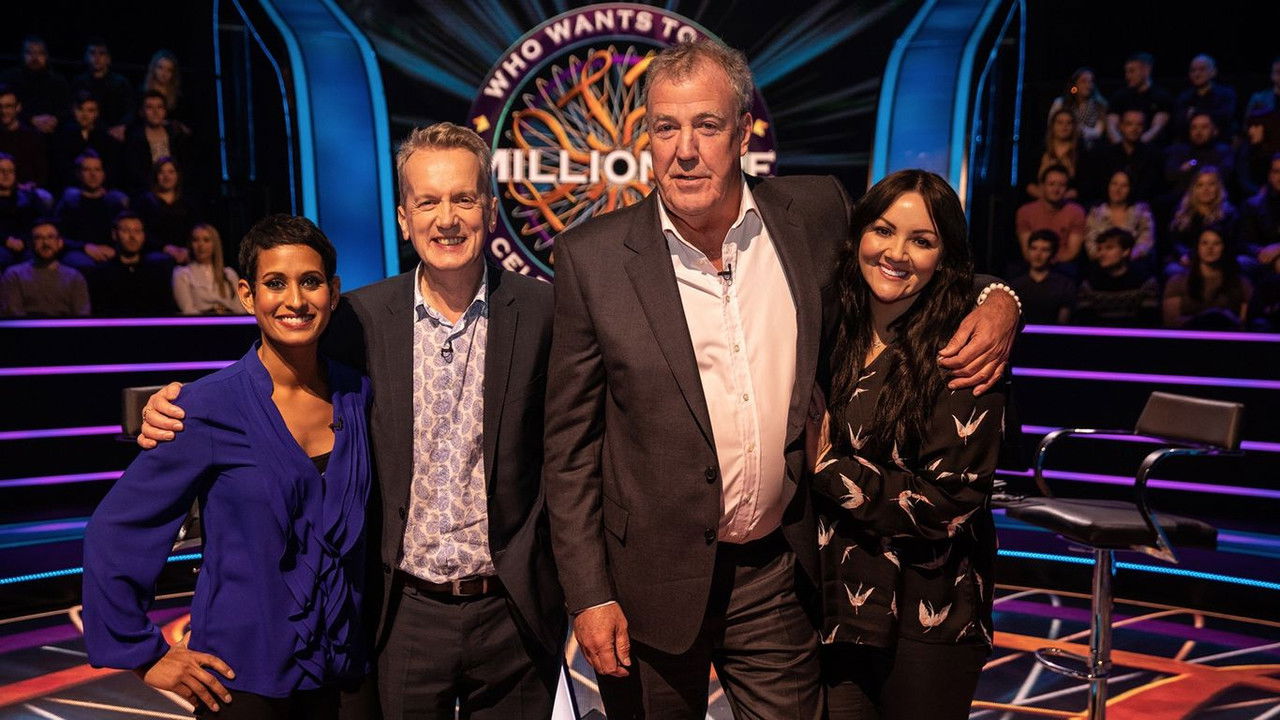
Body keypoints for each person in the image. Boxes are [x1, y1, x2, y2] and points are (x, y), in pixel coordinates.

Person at [542, 38, 1019, 720]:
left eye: (706, 126)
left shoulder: (814, 212)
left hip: (780, 574)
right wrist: (589, 594)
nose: (684, 150)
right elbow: (568, 449)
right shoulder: (591, 258)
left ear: (744, 132)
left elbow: (910, 261)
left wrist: (1000, 298)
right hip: (648, 584)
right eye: (666, 128)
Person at [140, 123, 566, 719]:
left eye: (464, 199)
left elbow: (578, 452)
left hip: (515, 616)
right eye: (428, 202)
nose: (447, 219)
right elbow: (274, 372)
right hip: (398, 615)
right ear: (403, 219)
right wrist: (179, 402)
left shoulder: (548, 311)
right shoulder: (356, 319)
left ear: (490, 211)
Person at [83, 214, 372, 718]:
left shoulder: (360, 395)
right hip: (240, 680)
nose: (295, 300)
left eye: (310, 281)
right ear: (246, 295)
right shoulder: (205, 407)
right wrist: (145, 657)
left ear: (333, 291)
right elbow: (117, 532)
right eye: (275, 283)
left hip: (350, 674)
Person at [805, 169, 1005, 720]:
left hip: (929, 614)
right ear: (858, 236)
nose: (896, 253)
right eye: (883, 230)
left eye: (922, 240)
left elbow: (950, 503)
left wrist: (829, 467)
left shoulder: (966, 350)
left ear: (945, 255)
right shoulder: (831, 325)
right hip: (836, 606)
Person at [87, 211, 176, 315]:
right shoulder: (101, 274)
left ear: (144, 235)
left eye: (137, 231)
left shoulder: (157, 273)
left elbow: (166, 310)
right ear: (114, 235)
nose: (132, 236)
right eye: (126, 231)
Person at [55, 149, 130, 272]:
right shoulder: (69, 202)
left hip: (109, 251)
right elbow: (59, 236)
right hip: (79, 252)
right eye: (87, 170)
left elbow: (123, 233)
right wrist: (84, 247)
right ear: (79, 174)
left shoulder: (114, 202)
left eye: (97, 170)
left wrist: (116, 249)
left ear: (103, 174)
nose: (93, 174)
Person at [1162, 226, 1251, 329]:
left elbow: (1244, 324)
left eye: (1216, 243)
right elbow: (1171, 322)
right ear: (1197, 247)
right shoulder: (1177, 282)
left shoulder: (1241, 283)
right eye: (1204, 243)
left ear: (1225, 248)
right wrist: (1206, 319)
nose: (1210, 248)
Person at [0, 218, 89, 316]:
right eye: (38, 238)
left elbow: (82, 317)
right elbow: (13, 316)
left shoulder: (75, 277)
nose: (46, 243)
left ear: (60, 243)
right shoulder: (14, 275)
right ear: (30, 244)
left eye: (51, 237)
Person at [1075, 227, 1160, 326]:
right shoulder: (1089, 283)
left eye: (1109, 248)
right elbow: (1085, 323)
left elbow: (1148, 322)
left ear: (1126, 251)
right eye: (1099, 249)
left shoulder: (1145, 282)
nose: (1101, 254)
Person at [1015, 165, 1086, 269]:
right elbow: (1027, 251)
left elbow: (1072, 252)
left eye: (1061, 185)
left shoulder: (1076, 212)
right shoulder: (1025, 212)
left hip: (1063, 267)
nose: (1056, 189)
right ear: (1042, 186)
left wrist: (1050, 261)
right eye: (1051, 184)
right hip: (1033, 265)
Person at [1087, 109, 1164, 204]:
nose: (1134, 128)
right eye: (1129, 124)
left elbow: (1154, 189)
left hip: (1141, 206)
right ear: (1121, 126)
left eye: (1139, 125)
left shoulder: (1153, 156)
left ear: (1144, 128)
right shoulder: (1106, 154)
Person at [123, 91, 191, 194]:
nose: (156, 112)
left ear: (165, 111)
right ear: (142, 112)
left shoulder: (176, 136)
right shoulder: (135, 139)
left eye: (160, 107)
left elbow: (184, 167)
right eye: (150, 107)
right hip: (147, 193)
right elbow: (134, 174)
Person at [0, 36, 70, 135]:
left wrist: (55, 119)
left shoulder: (58, 81)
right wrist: (31, 120)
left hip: (53, 132)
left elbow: (66, 109)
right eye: (29, 53)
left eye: (40, 53)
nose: (35, 57)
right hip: (16, 132)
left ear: (46, 56)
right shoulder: (9, 78)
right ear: (22, 55)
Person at [1169, 165, 1237, 266]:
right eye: (1200, 185)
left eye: (1211, 184)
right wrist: (1183, 255)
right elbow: (1175, 241)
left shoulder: (1228, 214)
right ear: (1194, 189)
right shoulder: (1182, 213)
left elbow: (1233, 243)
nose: (1206, 189)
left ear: (1218, 188)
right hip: (1187, 261)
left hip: (1220, 260)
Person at [52, 91, 119, 191]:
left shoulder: (106, 139)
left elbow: (111, 168)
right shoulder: (62, 137)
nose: (85, 115)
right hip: (71, 187)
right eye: (80, 109)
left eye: (90, 110)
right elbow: (61, 168)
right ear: (73, 111)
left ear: (97, 113)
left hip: (102, 188)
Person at [1085, 169, 1155, 261]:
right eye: (1114, 184)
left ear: (1131, 189)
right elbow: (1090, 242)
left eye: (1124, 186)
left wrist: (1125, 257)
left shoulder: (1141, 211)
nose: (1117, 189)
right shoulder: (1096, 212)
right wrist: (1106, 257)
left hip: (1133, 262)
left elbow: (1146, 241)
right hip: (1102, 262)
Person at [135, 156, 198, 257]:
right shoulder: (145, 202)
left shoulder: (187, 203)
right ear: (156, 176)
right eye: (161, 172)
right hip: (155, 254)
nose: (166, 176)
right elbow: (142, 233)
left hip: (185, 253)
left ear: (177, 175)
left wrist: (186, 249)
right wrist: (164, 248)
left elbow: (195, 229)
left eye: (171, 172)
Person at [173, 223, 242, 314]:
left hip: (229, 320)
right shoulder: (183, 274)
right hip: (200, 321)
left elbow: (240, 309)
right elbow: (188, 310)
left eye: (206, 240)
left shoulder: (229, 274)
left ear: (215, 244)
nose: (200, 245)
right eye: (195, 240)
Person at [1106, 52, 1174, 146]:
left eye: (1132, 71)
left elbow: (1156, 129)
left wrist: (1136, 149)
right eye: (1126, 72)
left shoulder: (1161, 97)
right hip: (1122, 148)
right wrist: (1123, 148)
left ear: (1146, 70)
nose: (1127, 76)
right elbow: (1111, 127)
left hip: (1151, 149)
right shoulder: (1119, 97)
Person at [1010, 230, 1076, 324]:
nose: (1038, 254)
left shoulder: (1064, 285)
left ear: (1053, 254)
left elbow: (1063, 323)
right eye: (1034, 248)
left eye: (1045, 250)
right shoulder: (1016, 285)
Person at [72, 39, 134, 140]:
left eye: (101, 53)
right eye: (92, 53)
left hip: (115, 133)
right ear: (86, 57)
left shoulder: (121, 83)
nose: (97, 58)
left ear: (108, 59)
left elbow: (130, 110)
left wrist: (122, 126)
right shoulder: (79, 82)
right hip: (87, 131)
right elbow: (73, 108)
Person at [1164, 113, 1234, 199]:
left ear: (1215, 131)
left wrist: (1187, 170)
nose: (1198, 132)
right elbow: (1170, 176)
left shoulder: (1223, 151)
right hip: (1182, 198)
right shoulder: (1179, 151)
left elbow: (1223, 176)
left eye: (1204, 127)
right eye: (1194, 127)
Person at [1174, 54, 1238, 140]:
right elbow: (1180, 122)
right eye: (1193, 70)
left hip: (1220, 140)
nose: (1197, 74)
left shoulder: (1226, 94)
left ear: (1213, 72)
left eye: (1202, 69)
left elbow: (1225, 117)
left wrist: (1195, 112)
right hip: (1190, 142)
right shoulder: (1184, 97)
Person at [1026, 110, 1085, 199]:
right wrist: (1047, 199)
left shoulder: (1081, 153)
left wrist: (1060, 198)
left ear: (1074, 127)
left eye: (1069, 123)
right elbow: (1028, 184)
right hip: (1040, 200)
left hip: (1069, 202)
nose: (1064, 126)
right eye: (1060, 122)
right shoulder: (1040, 151)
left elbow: (1083, 187)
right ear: (1052, 126)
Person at [0, 83, 49, 187]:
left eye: (8, 106)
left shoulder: (33, 138)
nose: (3, 111)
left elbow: (41, 174)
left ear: (18, 107)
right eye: (0, 107)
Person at [1048, 68, 1107, 147]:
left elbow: (1098, 132)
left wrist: (1080, 130)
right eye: (1083, 81)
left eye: (1091, 81)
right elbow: (1052, 125)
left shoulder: (1099, 105)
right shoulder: (1061, 103)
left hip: (1089, 146)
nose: (1088, 85)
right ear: (1075, 84)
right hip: (1064, 144)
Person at [0, 152, 40, 268]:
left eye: (10, 171)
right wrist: (6, 240)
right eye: (1, 170)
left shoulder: (28, 197)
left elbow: (40, 222)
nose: (6, 174)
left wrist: (24, 241)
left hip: (26, 243)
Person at [1243, 153, 1280, 259]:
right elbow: (1245, 241)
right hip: (1262, 257)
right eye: (1276, 172)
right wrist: (1260, 252)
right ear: (1270, 176)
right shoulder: (1253, 205)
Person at [143, 50, 182, 114]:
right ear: (153, 69)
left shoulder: (177, 97)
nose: (164, 74)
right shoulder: (143, 92)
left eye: (169, 70)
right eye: (160, 68)